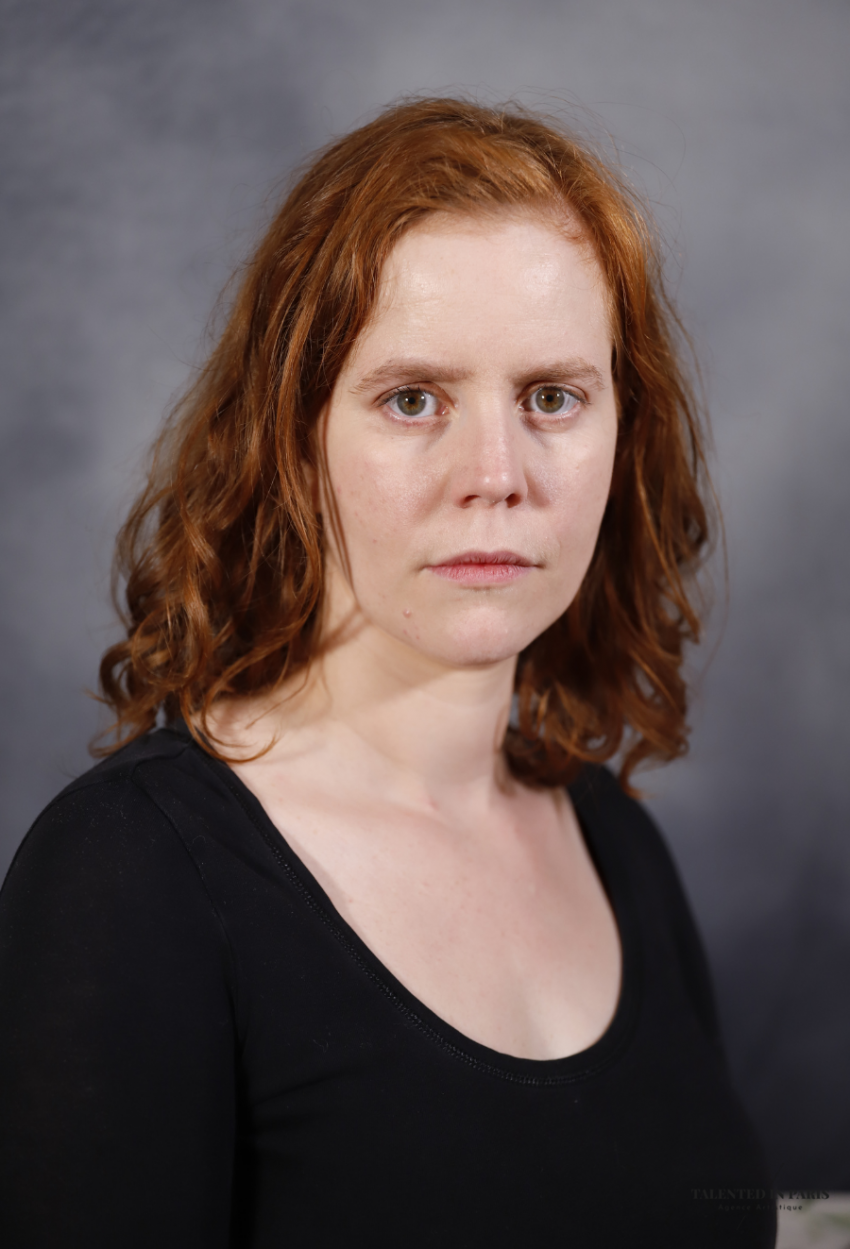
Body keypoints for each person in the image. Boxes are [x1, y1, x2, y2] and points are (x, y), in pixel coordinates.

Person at [0, 98, 776, 1247]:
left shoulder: (615, 840)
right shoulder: (132, 876)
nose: (495, 473)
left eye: (551, 396)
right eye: (413, 399)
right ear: (292, 438)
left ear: (626, 434)